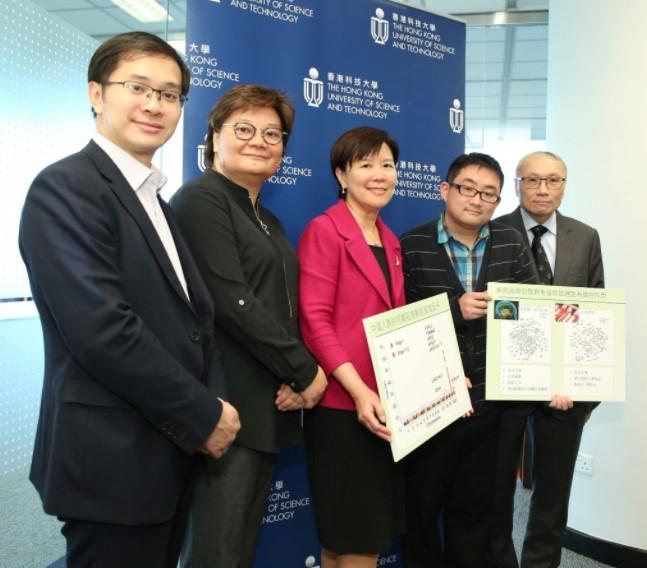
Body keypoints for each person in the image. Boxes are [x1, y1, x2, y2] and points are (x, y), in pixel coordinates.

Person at [18, 32, 240, 568]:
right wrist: (203, 414)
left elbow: (189, 322)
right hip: (112, 459)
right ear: (96, 93)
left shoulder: (152, 198)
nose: (154, 105)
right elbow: (103, 330)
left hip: (165, 453)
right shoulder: (65, 188)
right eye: (138, 87)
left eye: (169, 94)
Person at [170, 84, 328, 568]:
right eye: (243, 129)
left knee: (239, 549)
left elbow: (279, 306)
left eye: (272, 133)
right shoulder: (201, 200)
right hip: (226, 407)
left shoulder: (268, 220)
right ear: (215, 136)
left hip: (267, 404)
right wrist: (307, 372)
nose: (259, 140)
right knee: (218, 552)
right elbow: (233, 302)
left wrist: (291, 379)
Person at [400, 153, 537, 568]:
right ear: (446, 190)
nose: (477, 200)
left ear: (498, 202)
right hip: (431, 405)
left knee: (473, 514)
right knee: (421, 513)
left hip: (488, 406)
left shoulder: (511, 243)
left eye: (489, 194)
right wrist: (451, 309)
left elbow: (530, 314)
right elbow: (397, 320)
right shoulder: (411, 245)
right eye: (467, 189)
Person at [488, 151, 604, 568]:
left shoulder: (585, 236)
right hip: (505, 386)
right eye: (532, 180)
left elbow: (594, 313)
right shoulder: (492, 231)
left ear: (564, 185)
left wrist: (587, 394)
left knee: (554, 494)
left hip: (565, 391)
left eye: (553, 180)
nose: (543, 189)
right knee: (495, 491)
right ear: (516, 184)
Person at [297, 126, 405, 568]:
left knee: (349, 537)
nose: (380, 175)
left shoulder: (391, 240)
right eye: (366, 165)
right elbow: (314, 322)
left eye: (388, 165)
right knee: (357, 537)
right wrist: (360, 392)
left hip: (384, 407)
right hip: (344, 409)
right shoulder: (325, 231)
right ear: (342, 175)